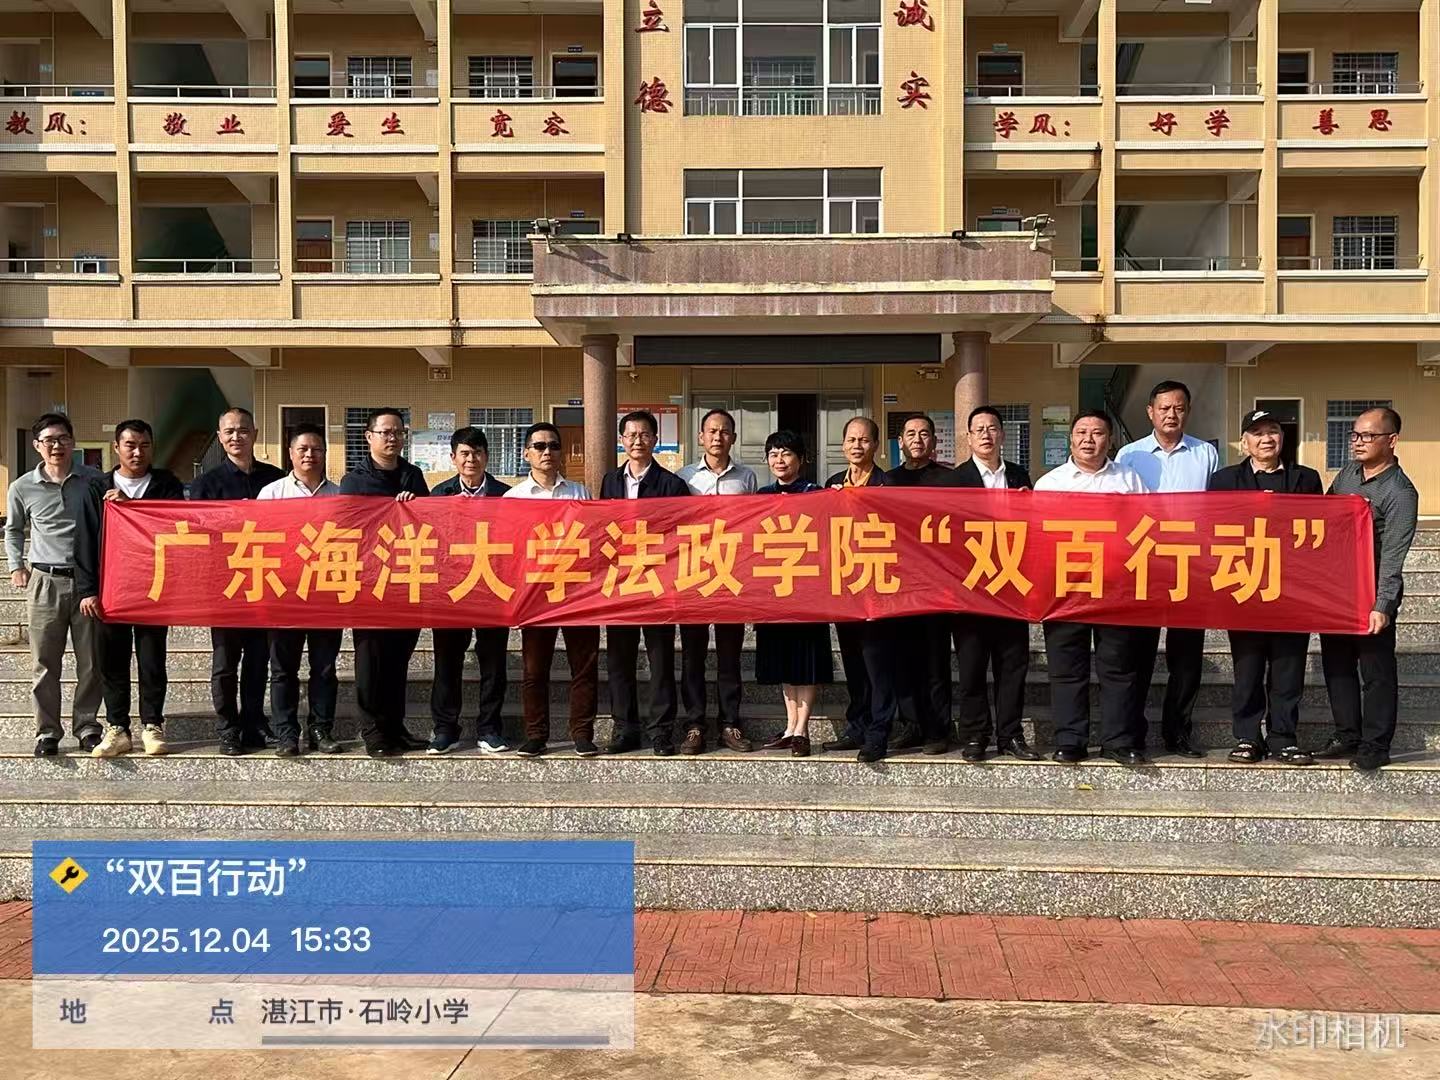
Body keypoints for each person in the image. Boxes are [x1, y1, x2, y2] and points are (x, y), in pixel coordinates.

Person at [1033, 411, 1149, 765]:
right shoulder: (1050, 483)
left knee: (1119, 667)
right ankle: (1070, 740)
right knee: (1067, 668)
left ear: (1110, 440)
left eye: (1097, 433)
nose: (1088, 439)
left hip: (1116, 588)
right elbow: (1036, 538)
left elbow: (1147, 527)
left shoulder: (1129, 479)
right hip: (1066, 589)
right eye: (1081, 432)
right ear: (1070, 439)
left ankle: (1119, 741)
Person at [1207, 409, 1321, 766]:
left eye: (1273, 431)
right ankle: (1247, 737)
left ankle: (1283, 738)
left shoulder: (1306, 479)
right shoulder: (1224, 480)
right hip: (1245, 586)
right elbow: (1213, 529)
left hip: (1293, 589)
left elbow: (1319, 529)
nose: (1266, 439)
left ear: (1282, 438)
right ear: (1245, 442)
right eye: (1257, 433)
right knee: (1248, 668)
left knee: (1288, 667)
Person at [1116, 380, 1219, 758]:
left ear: (1187, 411)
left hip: (1191, 564)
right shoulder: (1129, 455)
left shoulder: (1206, 453)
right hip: (1144, 562)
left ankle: (1179, 732)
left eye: (1178, 408)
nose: (1171, 415)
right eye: (1164, 408)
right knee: (1138, 653)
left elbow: (1218, 507)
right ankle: (1134, 731)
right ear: (1150, 412)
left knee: (1186, 656)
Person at [1316, 406, 1418, 772]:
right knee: (1337, 665)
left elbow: (1393, 555)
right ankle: (1347, 734)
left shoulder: (1400, 492)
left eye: (1368, 436)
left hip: (1372, 591)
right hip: (1338, 588)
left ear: (1391, 440)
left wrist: (1382, 605)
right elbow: (1323, 516)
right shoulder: (1347, 475)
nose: (1358, 442)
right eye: (1355, 435)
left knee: (1376, 671)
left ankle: (1376, 744)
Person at [74, 419, 183, 758]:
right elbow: (85, 541)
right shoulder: (96, 488)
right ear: (117, 448)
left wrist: (131, 509)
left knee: (152, 659)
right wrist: (88, 590)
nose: (138, 452)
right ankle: (117, 727)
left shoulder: (166, 484)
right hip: (112, 590)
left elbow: (177, 527)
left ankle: (152, 724)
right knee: (112, 661)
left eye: (145, 445)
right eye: (130, 445)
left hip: (154, 587)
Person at [943, 405, 1038, 762]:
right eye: (979, 429)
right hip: (970, 587)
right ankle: (974, 735)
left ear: (1002, 434)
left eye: (992, 428)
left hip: (1011, 585)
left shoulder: (1019, 476)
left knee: (1012, 665)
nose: (986, 434)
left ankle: (1010, 735)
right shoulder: (955, 480)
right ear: (968, 438)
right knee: (971, 667)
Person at [6, 413, 104, 757]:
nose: (56, 446)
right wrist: (16, 566)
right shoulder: (22, 487)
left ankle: (88, 726)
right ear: (37, 446)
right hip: (44, 582)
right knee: (44, 662)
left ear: (73, 442)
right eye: (49, 440)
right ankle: (47, 732)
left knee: (91, 661)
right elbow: (13, 530)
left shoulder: (94, 481)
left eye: (62, 438)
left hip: (87, 582)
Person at [190, 406, 285, 756]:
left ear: (255, 434)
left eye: (243, 430)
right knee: (225, 663)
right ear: (219, 437)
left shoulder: (275, 480)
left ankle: (255, 722)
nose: (236, 437)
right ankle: (228, 727)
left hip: (263, 580)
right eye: (229, 431)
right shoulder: (206, 484)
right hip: (224, 585)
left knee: (260, 659)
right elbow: (198, 533)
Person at [503, 422, 601, 758]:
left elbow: (593, 540)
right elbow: (508, 551)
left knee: (584, 666)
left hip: (577, 592)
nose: (547, 452)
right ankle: (536, 735)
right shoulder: (513, 498)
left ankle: (582, 734)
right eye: (540, 446)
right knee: (534, 670)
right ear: (526, 453)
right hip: (535, 596)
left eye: (554, 446)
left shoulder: (579, 493)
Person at [339, 408, 430, 758]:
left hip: (406, 578)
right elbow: (348, 528)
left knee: (398, 659)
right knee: (370, 661)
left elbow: (429, 524)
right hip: (369, 583)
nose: (392, 438)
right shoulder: (354, 481)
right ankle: (373, 731)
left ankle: (395, 727)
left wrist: (413, 507)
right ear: (369, 436)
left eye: (398, 432)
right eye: (385, 432)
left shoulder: (413, 475)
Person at [602, 411, 691, 755]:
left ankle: (661, 731)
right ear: (621, 440)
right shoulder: (610, 481)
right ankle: (625, 728)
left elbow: (682, 533)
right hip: (620, 583)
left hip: (658, 582)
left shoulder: (672, 484)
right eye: (631, 435)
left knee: (661, 660)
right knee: (619, 660)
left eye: (644, 435)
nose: (637, 441)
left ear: (655, 439)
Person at [257, 423, 344, 757]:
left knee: (324, 668)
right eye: (303, 449)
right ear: (290, 453)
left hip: (326, 593)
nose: (310, 455)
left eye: (316, 449)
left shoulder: (340, 496)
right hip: (284, 593)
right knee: (283, 669)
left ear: (325, 454)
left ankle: (322, 730)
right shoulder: (272, 493)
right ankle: (286, 733)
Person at [677, 408, 758, 754]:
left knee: (729, 655)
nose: (717, 437)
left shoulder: (747, 478)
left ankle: (730, 723)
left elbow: (755, 524)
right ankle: (695, 725)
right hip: (693, 574)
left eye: (724, 431)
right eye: (711, 431)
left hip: (731, 574)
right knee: (692, 655)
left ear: (733, 438)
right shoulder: (683, 478)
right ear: (700, 436)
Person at [427, 426, 511, 754]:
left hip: (492, 588)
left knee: (493, 663)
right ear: (453, 458)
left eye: (477, 452)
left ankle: (489, 729)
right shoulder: (438, 495)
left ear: (487, 456)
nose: (471, 459)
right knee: (447, 662)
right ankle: (445, 729)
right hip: (451, 592)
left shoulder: (506, 496)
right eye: (464, 453)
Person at [820, 416, 894, 763]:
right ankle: (857, 726)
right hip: (845, 586)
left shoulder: (889, 485)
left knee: (877, 662)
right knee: (852, 661)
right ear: (843, 445)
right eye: (851, 440)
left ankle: (879, 732)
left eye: (864, 440)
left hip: (878, 585)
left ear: (875, 445)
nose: (857, 446)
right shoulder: (833, 484)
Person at [754, 430, 832, 757]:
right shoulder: (760, 496)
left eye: (786, 453)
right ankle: (789, 726)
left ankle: (802, 729)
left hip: (808, 590)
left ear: (801, 459)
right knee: (783, 660)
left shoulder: (817, 493)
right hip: (774, 590)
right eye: (773, 454)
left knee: (806, 660)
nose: (779, 460)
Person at [883, 412, 952, 754]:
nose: (917, 440)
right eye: (910, 434)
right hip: (898, 583)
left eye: (924, 434)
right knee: (902, 660)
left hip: (937, 583)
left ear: (934, 441)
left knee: (935, 661)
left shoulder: (949, 480)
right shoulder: (888, 481)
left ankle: (939, 729)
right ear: (901, 442)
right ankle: (910, 724)